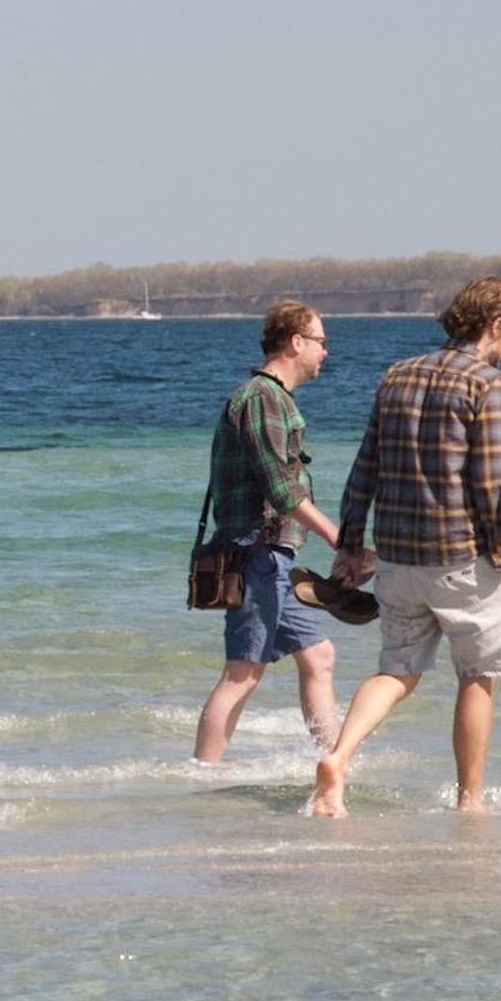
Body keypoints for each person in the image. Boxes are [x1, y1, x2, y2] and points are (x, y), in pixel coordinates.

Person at [310, 276, 501, 816]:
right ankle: (470, 801)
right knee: (477, 677)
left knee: (396, 669)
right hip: (462, 557)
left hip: (397, 557)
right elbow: (490, 483)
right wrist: (499, 551)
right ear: (497, 325)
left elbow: (365, 467)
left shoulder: (396, 375)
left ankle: (339, 757)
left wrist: (350, 544)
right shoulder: (489, 384)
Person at [192, 298, 346, 761]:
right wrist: (339, 538)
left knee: (319, 656)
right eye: (321, 341)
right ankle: (203, 772)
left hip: (271, 556)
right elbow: (282, 490)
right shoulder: (263, 398)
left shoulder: (270, 398)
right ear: (295, 342)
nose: (326, 352)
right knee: (242, 672)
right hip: (256, 555)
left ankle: (332, 763)